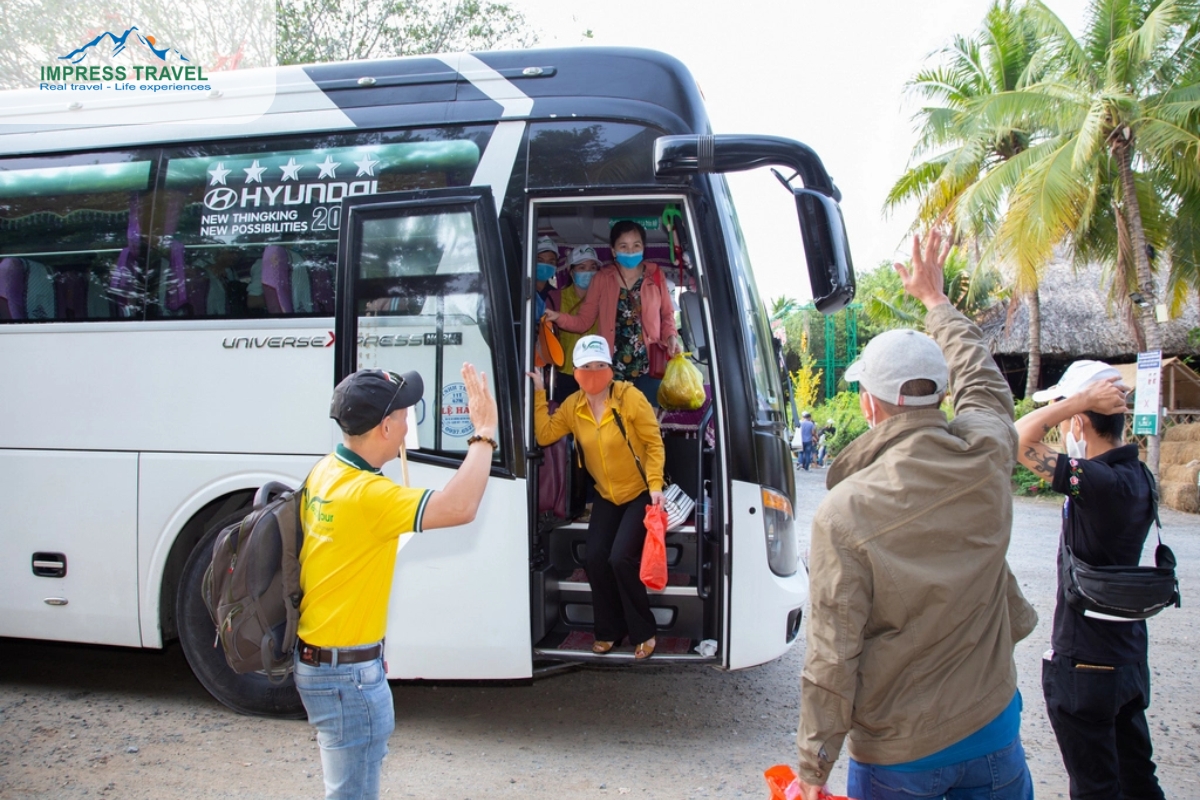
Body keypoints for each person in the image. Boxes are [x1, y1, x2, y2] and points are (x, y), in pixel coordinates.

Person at [796, 232, 1037, 800]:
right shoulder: (985, 453)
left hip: (899, 758)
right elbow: (983, 382)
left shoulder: (844, 512)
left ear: (870, 405)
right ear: (942, 397)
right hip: (994, 729)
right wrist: (936, 302)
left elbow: (833, 655)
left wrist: (813, 768)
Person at [296, 363, 498, 799]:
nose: (411, 419)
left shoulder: (327, 471)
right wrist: (483, 432)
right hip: (347, 675)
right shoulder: (368, 496)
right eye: (405, 412)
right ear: (386, 427)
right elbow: (460, 506)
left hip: (324, 663)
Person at [1015, 361, 1165, 800]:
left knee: (1095, 789)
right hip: (1129, 660)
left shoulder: (1095, 480)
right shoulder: (1139, 476)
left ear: (1078, 422)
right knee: (1138, 780)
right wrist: (1079, 403)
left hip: (1086, 668)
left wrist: (1075, 401)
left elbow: (1017, 438)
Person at [527, 334, 665, 659]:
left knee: (620, 559)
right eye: (586, 366)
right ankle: (609, 631)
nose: (593, 372)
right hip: (606, 495)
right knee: (594, 559)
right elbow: (546, 433)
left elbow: (654, 442)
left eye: (600, 365)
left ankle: (644, 631)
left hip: (640, 491)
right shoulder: (573, 407)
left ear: (610, 368)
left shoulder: (629, 397)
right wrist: (538, 393)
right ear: (575, 372)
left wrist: (656, 484)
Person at [543, 220, 682, 404]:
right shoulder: (602, 278)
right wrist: (558, 317)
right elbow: (584, 321)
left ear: (643, 248)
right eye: (624, 246)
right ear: (614, 251)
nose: (630, 251)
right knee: (615, 429)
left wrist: (671, 336)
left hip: (651, 367)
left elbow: (667, 315)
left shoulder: (655, 275)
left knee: (647, 428)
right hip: (612, 369)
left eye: (636, 245)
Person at [549, 245, 601, 402]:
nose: (589, 272)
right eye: (582, 267)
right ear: (572, 272)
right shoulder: (556, 298)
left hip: (598, 370)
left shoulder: (606, 297)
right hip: (567, 372)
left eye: (593, 268)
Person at [534, 235, 560, 322]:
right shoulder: (521, 292)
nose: (545, 265)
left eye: (551, 262)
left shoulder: (556, 294)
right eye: (540, 261)